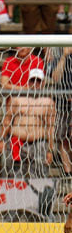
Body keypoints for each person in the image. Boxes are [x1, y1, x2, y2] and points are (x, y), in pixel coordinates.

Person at [1, 68, 55, 178]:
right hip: (17, 141)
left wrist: (50, 150)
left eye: (38, 81)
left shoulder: (48, 102)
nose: (35, 83)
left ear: (43, 83)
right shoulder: (17, 99)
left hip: (39, 143)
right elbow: (7, 121)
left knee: (40, 176)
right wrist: (1, 139)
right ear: (28, 81)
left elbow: (51, 127)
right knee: (14, 176)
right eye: (32, 80)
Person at [47, 47, 72, 175]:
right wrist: (64, 56)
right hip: (62, 102)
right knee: (63, 137)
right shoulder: (59, 59)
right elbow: (56, 77)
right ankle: (67, 172)